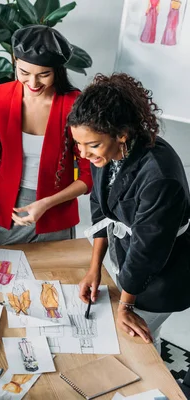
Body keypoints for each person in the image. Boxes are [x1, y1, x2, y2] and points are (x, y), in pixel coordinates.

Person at [69, 73, 190, 353]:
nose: (84, 154)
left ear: (121, 133)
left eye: (92, 145)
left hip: (164, 273)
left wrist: (126, 305)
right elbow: (101, 210)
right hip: (131, 258)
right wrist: (94, 268)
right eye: (78, 144)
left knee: (137, 341)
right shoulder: (107, 151)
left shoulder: (159, 177)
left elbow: (146, 253)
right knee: (132, 336)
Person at [0, 25, 92, 246]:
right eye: (24, 73)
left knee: (53, 279)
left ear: (57, 71)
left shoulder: (75, 104)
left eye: (44, 75)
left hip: (54, 214)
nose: (33, 84)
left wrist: (46, 203)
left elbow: (89, 174)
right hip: (4, 211)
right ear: (15, 62)